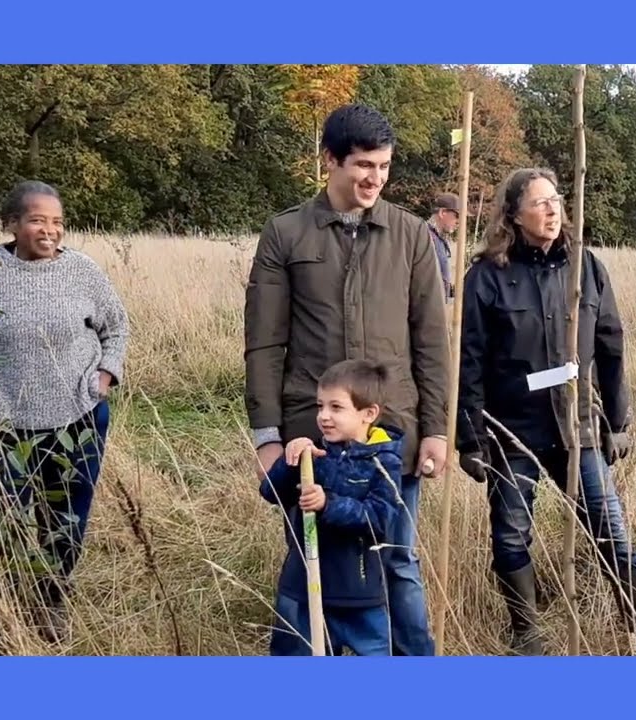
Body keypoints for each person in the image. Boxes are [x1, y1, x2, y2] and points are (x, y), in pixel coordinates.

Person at [244, 103, 449, 657]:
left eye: (383, 166)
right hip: (311, 438)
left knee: (397, 560)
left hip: (391, 436)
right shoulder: (285, 234)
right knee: (310, 557)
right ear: (330, 160)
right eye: (362, 164)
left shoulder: (411, 236)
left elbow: (431, 340)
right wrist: (268, 435)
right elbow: (264, 343)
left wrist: (437, 429)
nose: (374, 179)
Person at [455, 167, 636, 655]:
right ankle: (527, 634)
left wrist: (618, 421)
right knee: (511, 533)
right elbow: (467, 360)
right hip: (509, 430)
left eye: (556, 200)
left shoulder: (585, 266)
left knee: (611, 531)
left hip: (577, 425)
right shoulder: (487, 276)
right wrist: (469, 438)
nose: (552, 210)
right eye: (539, 203)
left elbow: (611, 345)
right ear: (513, 215)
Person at [0, 179, 129, 642]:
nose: (49, 231)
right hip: (0, 423)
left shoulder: (82, 271)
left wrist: (106, 375)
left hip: (77, 417)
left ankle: (51, 600)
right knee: (0, 519)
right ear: (12, 224)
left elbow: (117, 327)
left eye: (57, 222)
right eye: (37, 220)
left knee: (66, 518)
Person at [260, 359, 406, 656]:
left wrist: (329, 503)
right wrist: (292, 463)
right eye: (320, 406)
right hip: (303, 588)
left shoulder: (385, 461)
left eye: (336, 408)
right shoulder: (314, 453)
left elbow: (380, 519)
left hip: (359, 596)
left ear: (369, 414)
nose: (324, 416)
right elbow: (270, 492)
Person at [427, 192, 459, 306]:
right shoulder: (425, 237)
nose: (458, 222)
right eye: (457, 216)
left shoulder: (439, 239)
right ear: (442, 213)